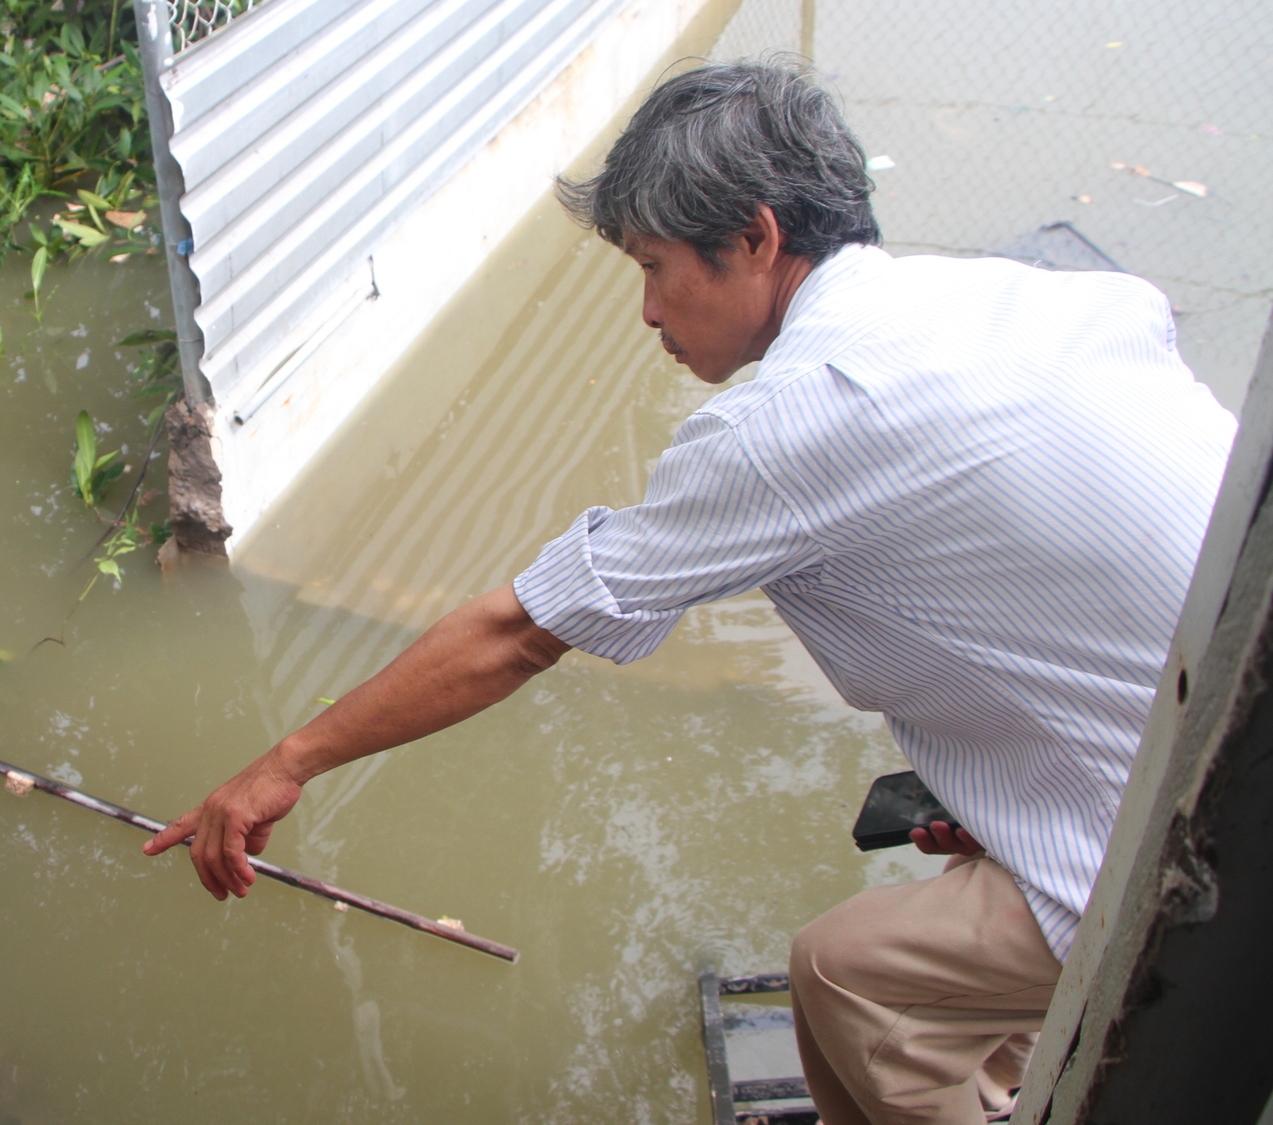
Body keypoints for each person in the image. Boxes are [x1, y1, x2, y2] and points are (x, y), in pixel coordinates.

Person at [141, 60, 1235, 1125]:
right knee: (930, 929)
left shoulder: (795, 423)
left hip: (1189, 830)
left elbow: (519, 633)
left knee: (848, 972)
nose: (647, 312)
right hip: (1222, 721)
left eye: (654, 267)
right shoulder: (1032, 296)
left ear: (755, 240)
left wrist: (284, 763)